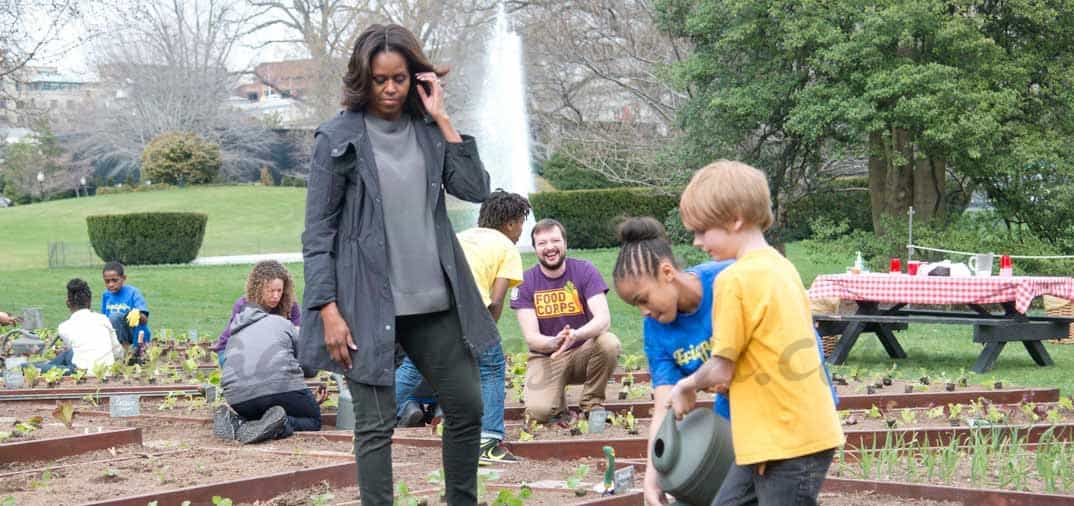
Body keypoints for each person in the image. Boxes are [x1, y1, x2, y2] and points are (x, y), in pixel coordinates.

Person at [297, 24, 498, 505]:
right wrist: (327, 308)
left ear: (416, 79)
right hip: (365, 305)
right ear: (362, 79)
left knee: (468, 406)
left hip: (434, 301)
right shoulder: (336, 138)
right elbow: (317, 232)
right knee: (374, 424)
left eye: (400, 79)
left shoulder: (429, 132)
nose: (389, 89)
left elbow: (476, 188)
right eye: (379, 79)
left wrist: (443, 117)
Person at [668, 160, 844, 505]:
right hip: (781, 435)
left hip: (787, 442)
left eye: (703, 230)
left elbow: (721, 367)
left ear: (735, 219)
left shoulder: (733, 279)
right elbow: (768, 347)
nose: (698, 241)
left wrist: (686, 385)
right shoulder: (782, 266)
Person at [395, 190, 530, 464]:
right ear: (510, 223)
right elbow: (495, 301)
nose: (520, 232)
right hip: (469, 310)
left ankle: (371, 420)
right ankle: (488, 441)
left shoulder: (462, 236)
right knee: (491, 367)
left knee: (412, 365)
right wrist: (484, 337)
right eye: (520, 224)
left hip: (428, 306)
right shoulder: (506, 247)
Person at [510, 219, 621, 423]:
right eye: (542, 243)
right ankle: (557, 404)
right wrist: (554, 342)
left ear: (565, 244)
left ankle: (592, 403)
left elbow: (603, 320)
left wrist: (576, 335)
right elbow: (532, 338)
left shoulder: (585, 270)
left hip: (583, 351)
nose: (550, 247)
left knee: (609, 342)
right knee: (540, 413)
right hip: (546, 357)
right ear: (534, 249)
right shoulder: (525, 282)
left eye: (555, 241)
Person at [214, 299, 324, 444]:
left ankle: (239, 422)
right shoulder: (281, 322)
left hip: (237, 399)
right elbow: (308, 365)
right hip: (280, 388)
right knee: (313, 421)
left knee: (262, 414)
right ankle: (283, 425)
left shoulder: (233, 335)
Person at [211, 260, 301, 367]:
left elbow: (297, 336)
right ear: (258, 289)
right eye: (271, 291)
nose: (276, 296)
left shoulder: (290, 305)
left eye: (279, 290)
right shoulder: (243, 306)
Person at [37, 279, 123, 374]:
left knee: (26, 367)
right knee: (67, 354)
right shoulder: (103, 319)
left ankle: (44, 366)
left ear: (68, 303)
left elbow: (77, 352)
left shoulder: (64, 327)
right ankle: (48, 365)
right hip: (107, 371)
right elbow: (117, 352)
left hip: (81, 373)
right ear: (90, 301)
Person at [100, 261, 151, 358]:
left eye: (115, 280)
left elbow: (144, 320)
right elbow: (104, 319)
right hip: (116, 336)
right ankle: (120, 351)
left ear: (123, 278)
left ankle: (130, 351)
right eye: (107, 281)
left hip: (134, 334)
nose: (111, 284)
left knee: (115, 316)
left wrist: (137, 314)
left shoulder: (133, 293)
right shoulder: (106, 295)